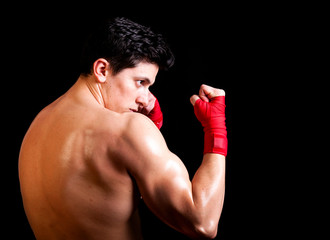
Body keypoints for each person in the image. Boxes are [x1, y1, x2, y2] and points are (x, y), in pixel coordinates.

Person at [19, 17, 228, 240]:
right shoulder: (127, 129)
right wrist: (216, 129)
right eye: (141, 82)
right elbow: (202, 222)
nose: (146, 98)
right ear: (101, 69)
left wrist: (151, 130)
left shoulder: (37, 124)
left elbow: (106, 195)